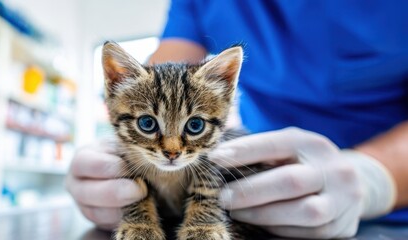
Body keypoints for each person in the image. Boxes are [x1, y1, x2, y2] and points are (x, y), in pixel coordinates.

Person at [67, 0, 408, 239]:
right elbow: (165, 81)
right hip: (260, 184)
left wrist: (373, 179)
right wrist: (118, 166)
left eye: (191, 128)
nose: (171, 149)